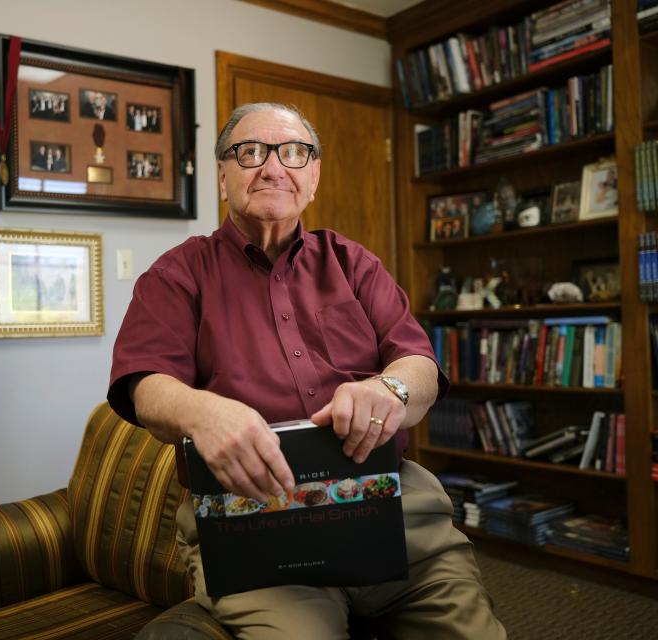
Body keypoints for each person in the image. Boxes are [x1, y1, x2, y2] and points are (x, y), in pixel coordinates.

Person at [108, 103, 506, 639]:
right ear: (223, 174)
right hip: (251, 516)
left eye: (295, 153)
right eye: (250, 152)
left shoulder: (353, 262)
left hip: (389, 502)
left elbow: (421, 367)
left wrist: (388, 388)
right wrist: (202, 412)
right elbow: (144, 387)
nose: (274, 167)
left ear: (313, 176)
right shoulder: (179, 272)